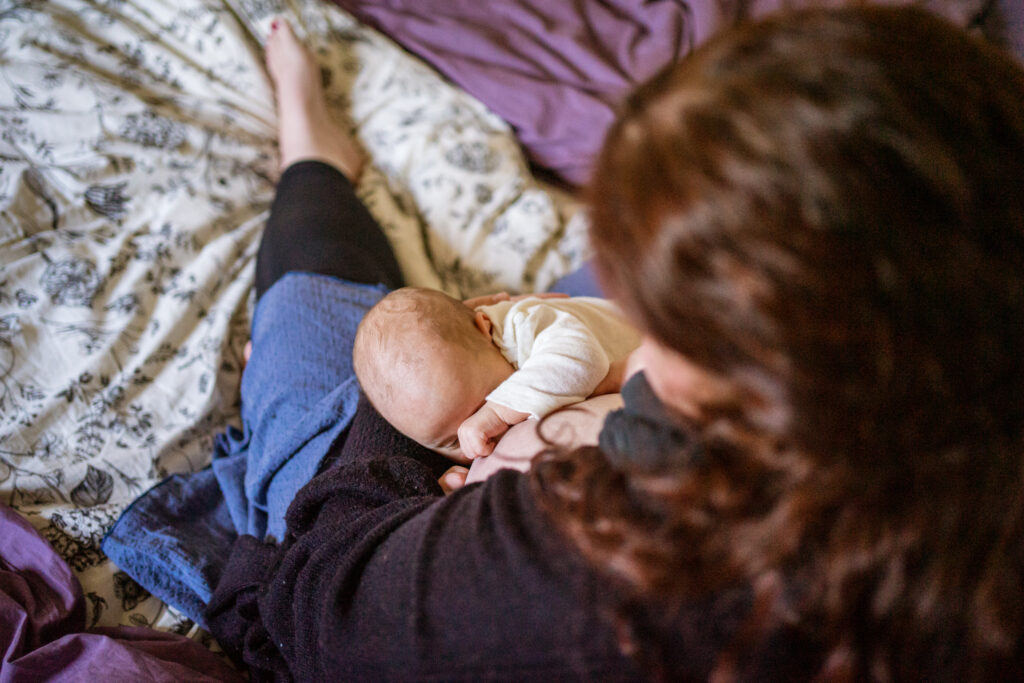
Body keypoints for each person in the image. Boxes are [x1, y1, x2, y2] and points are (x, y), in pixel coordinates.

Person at [206, 8, 1024, 681]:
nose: (643, 333)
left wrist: (404, 394)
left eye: (664, 322)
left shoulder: (617, 565)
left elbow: (320, 604)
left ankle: (312, 163)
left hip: (388, 500)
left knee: (323, 337)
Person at [353, 286, 640, 460]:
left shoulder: (522, 325)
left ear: (485, 328)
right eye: (452, 442)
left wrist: (497, 413)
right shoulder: (474, 365)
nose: (476, 435)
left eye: (484, 402)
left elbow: (584, 360)